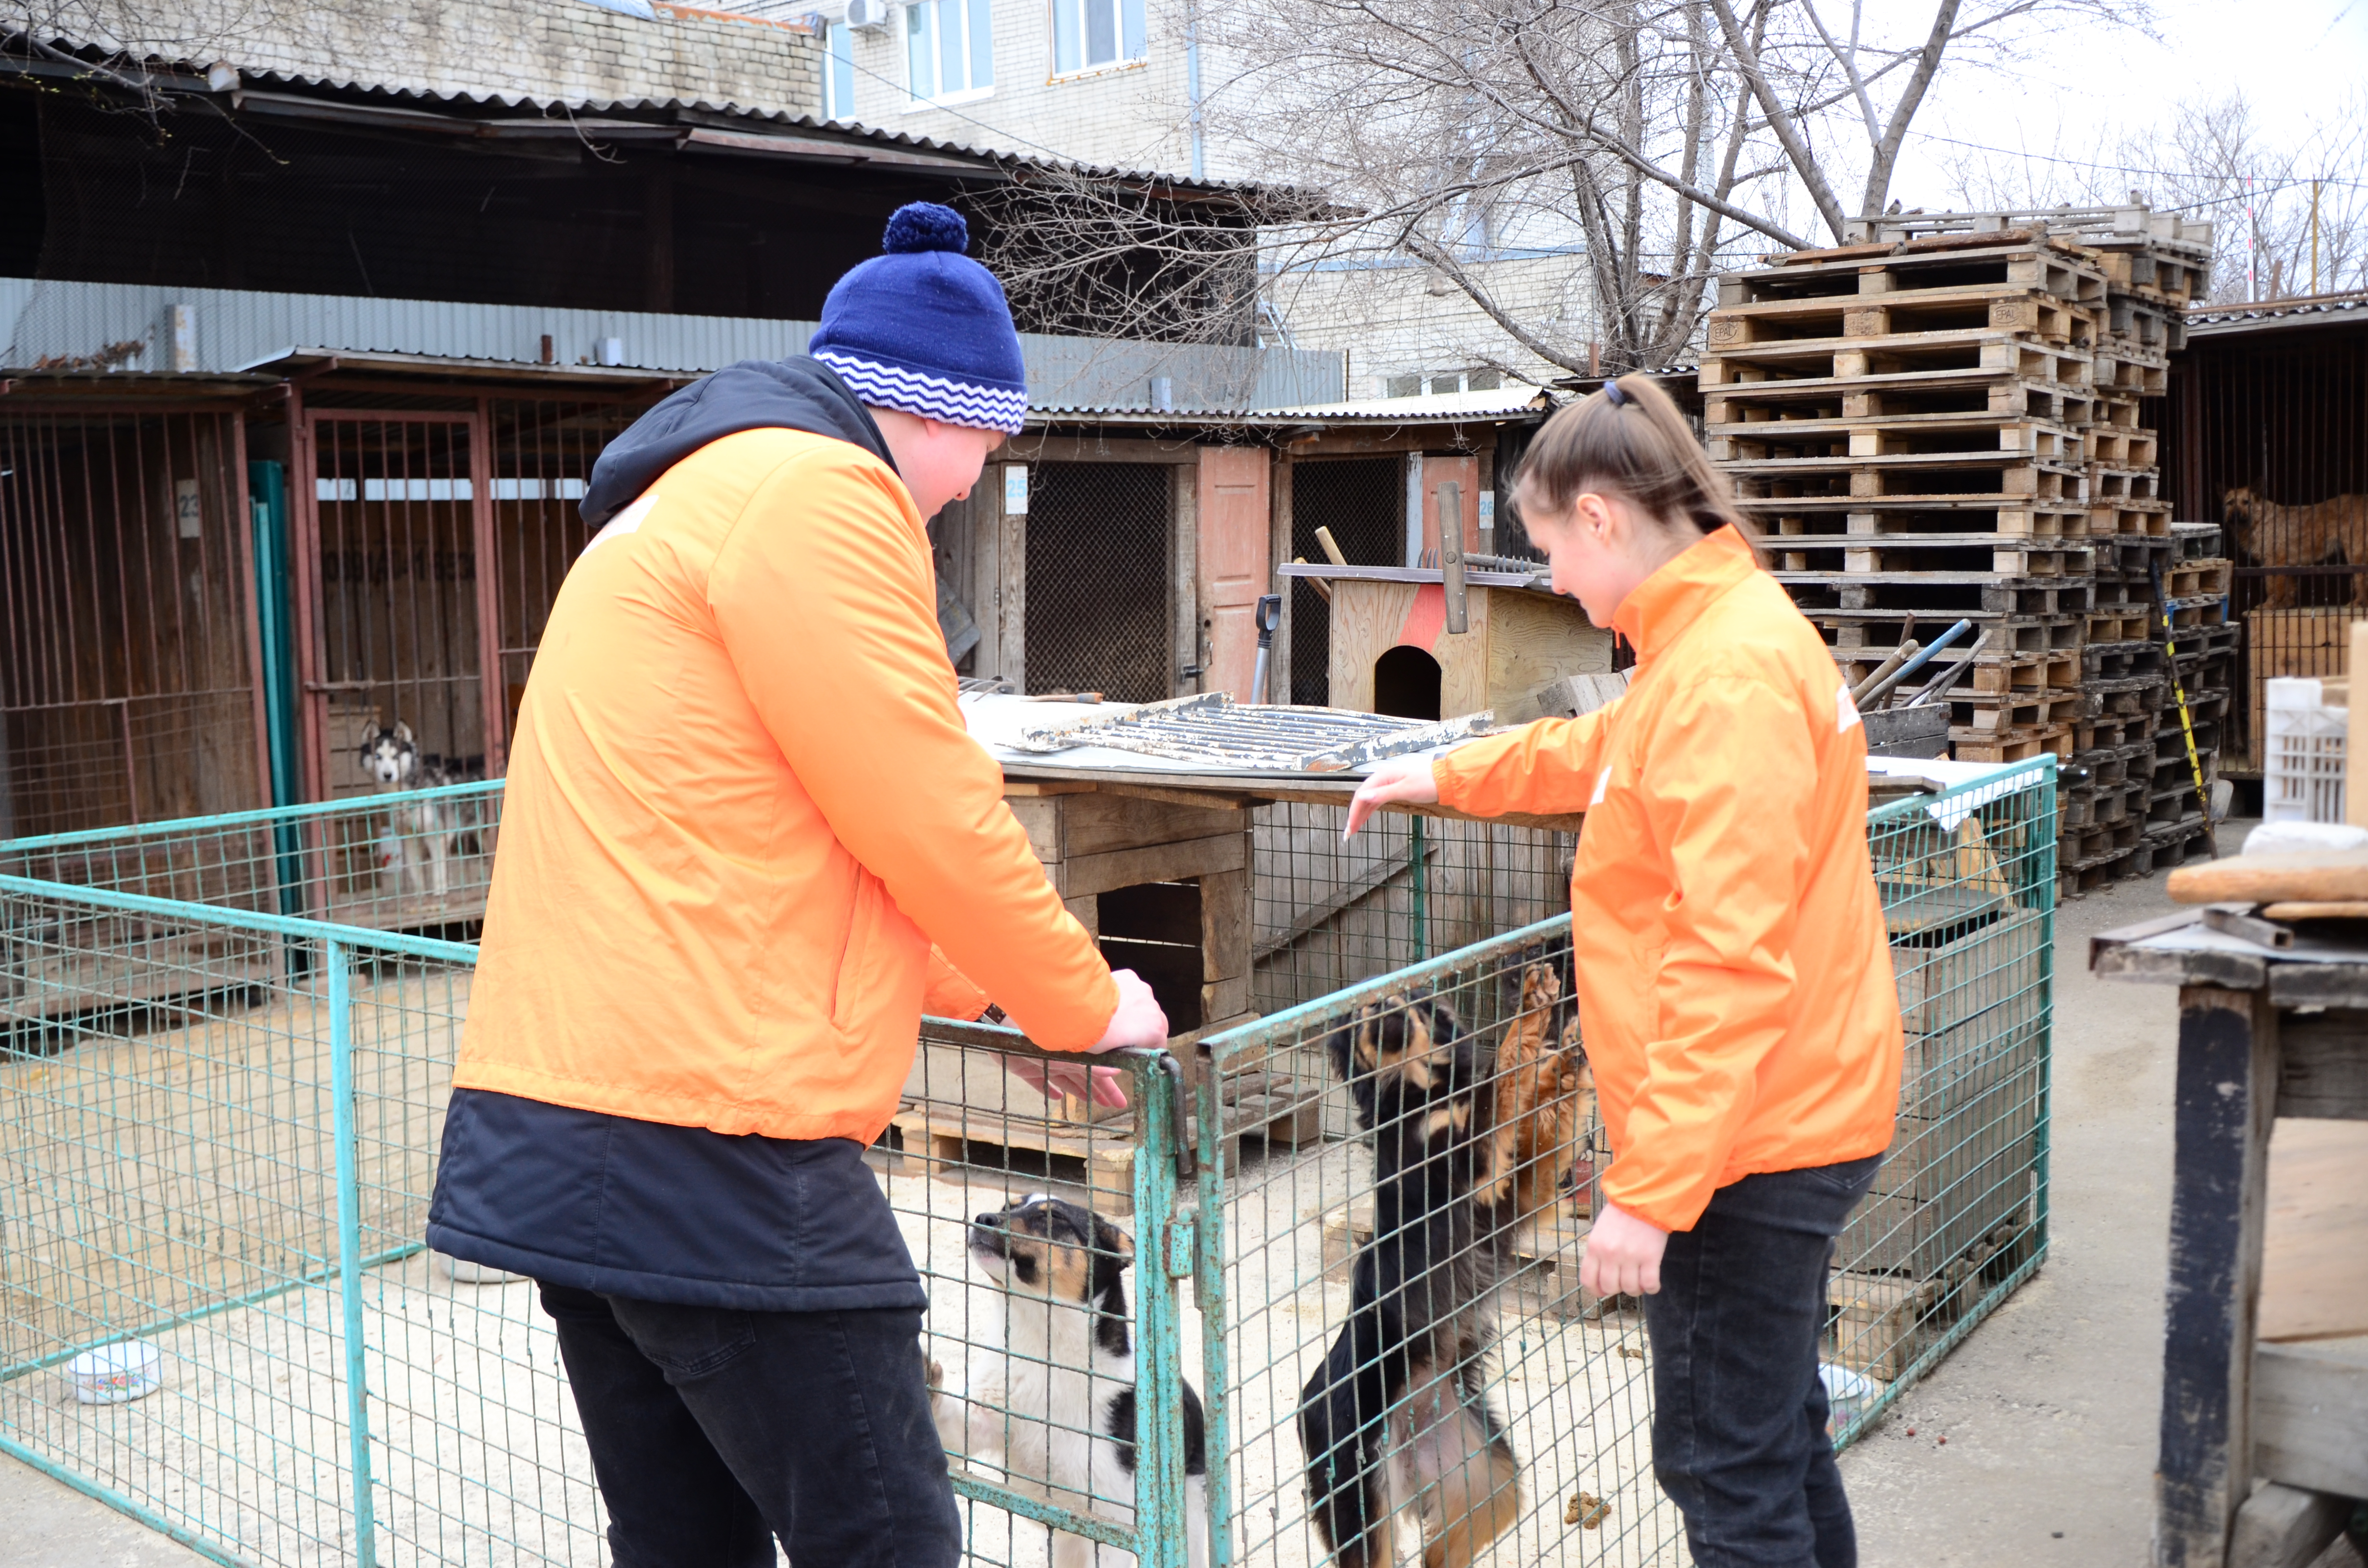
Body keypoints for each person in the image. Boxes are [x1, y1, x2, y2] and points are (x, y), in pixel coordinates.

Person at [424, 203, 1168, 1568]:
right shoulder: (820, 496)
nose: (979, 477)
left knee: (684, 1539)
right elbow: (925, 803)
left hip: (571, 1121)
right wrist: (1078, 999)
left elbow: (810, 845)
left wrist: (1003, 1007)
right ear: (930, 411)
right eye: (989, 439)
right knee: (883, 1536)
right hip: (713, 1134)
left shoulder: (696, 497)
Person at [1344, 374, 1902, 1568]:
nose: (1551, 579)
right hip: (1788, 1107)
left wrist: (1650, 1191)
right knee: (1777, 1434)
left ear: (1599, 518)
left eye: (1550, 547)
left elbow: (1728, 961)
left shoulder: (1727, 675)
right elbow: (1613, 749)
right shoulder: (1717, 637)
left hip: (1751, 1140)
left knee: (1721, 1462)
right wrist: (1451, 772)